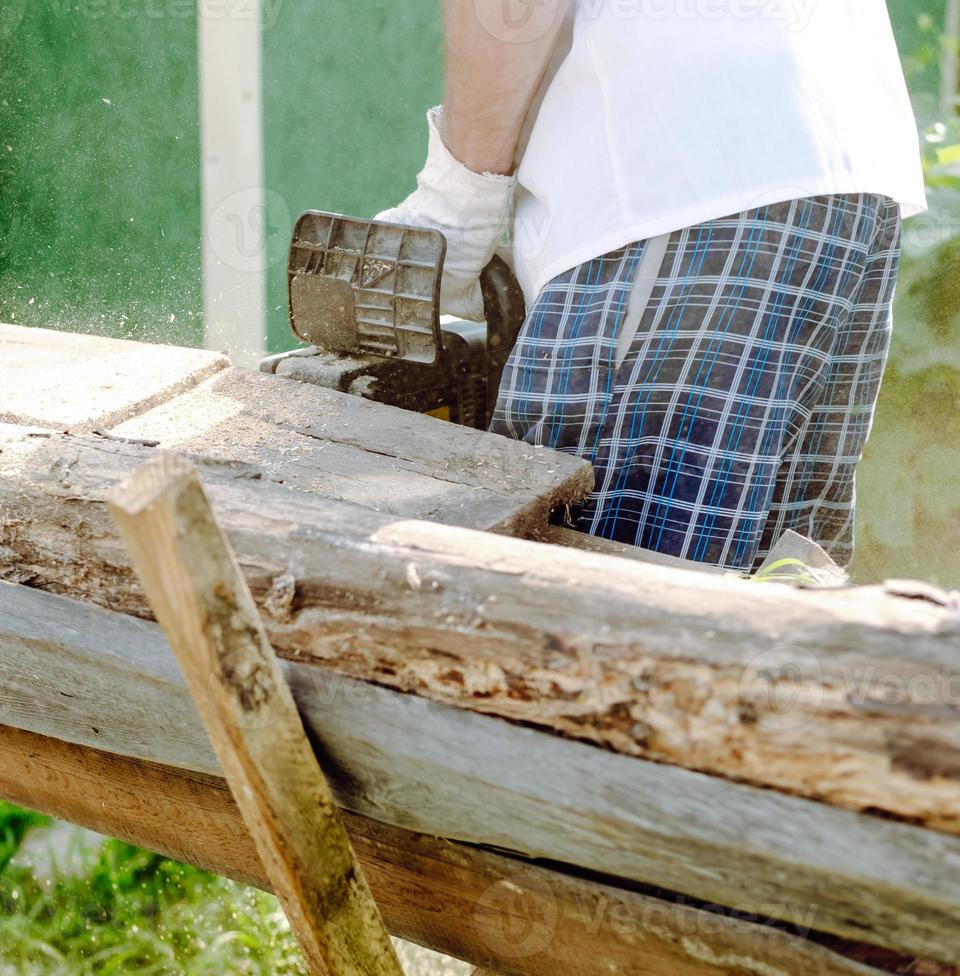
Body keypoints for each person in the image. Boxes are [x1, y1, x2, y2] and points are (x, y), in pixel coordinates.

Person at [380, 1, 926, 571]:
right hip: (845, 160)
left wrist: (456, 202)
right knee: (774, 604)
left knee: (596, 596)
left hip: (681, 178)